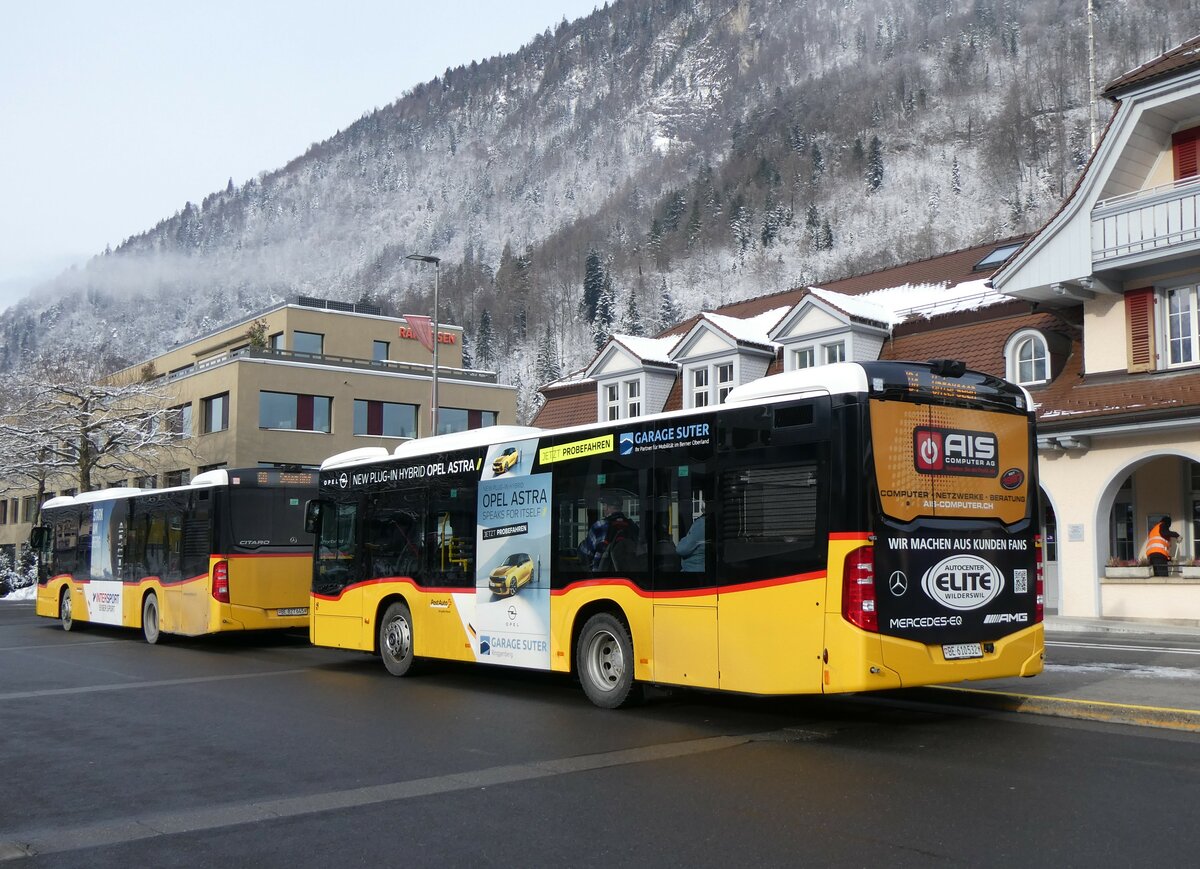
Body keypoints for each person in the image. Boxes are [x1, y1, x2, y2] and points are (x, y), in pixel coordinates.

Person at [578, 495, 637, 570]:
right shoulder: (633, 526)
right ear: (621, 508)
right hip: (630, 577)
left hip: (602, 578)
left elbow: (585, 554)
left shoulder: (600, 526)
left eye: (604, 505)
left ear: (606, 507)